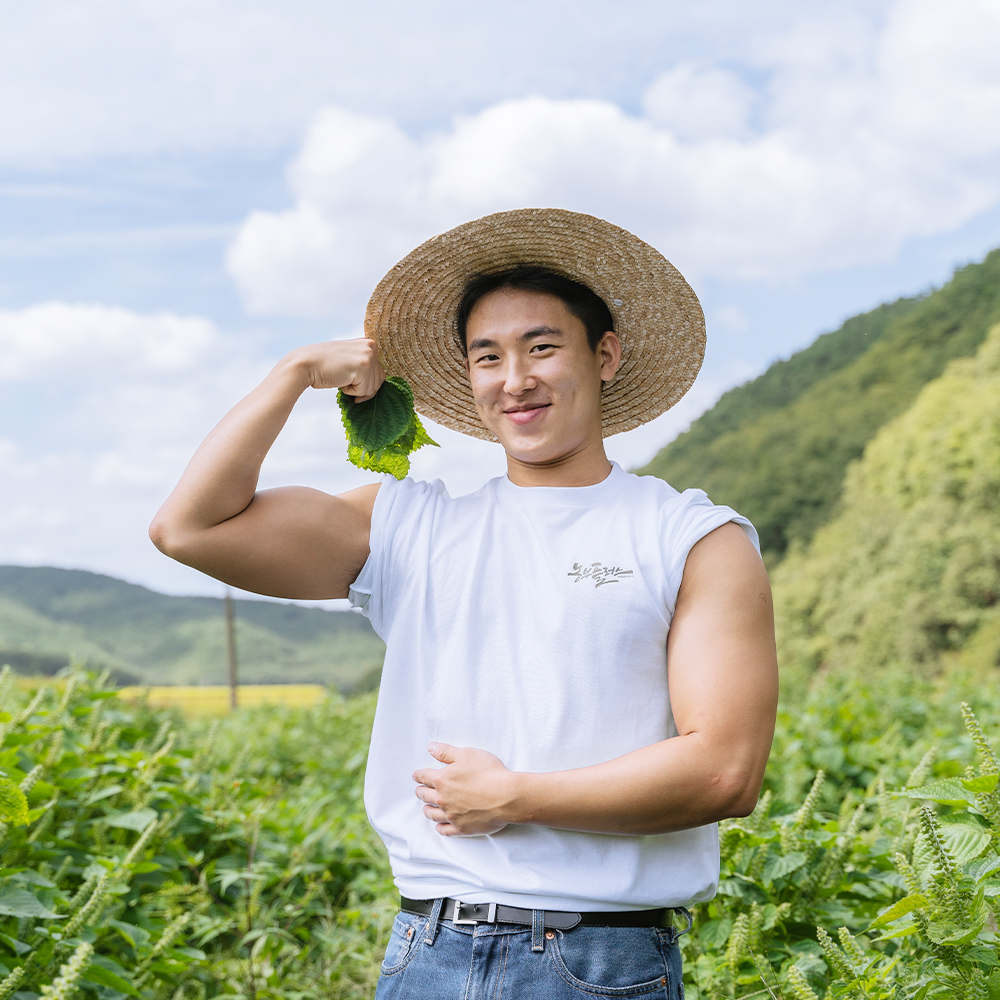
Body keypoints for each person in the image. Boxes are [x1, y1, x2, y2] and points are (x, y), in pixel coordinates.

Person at [150, 208, 778, 998]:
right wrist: (294, 372)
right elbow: (188, 527)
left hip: (598, 963)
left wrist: (515, 797)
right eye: (488, 356)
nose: (514, 379)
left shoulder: (691, 537)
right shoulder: (410, 524)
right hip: (427, 952)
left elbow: (725, 770)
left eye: (542, 347)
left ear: (606, 355)